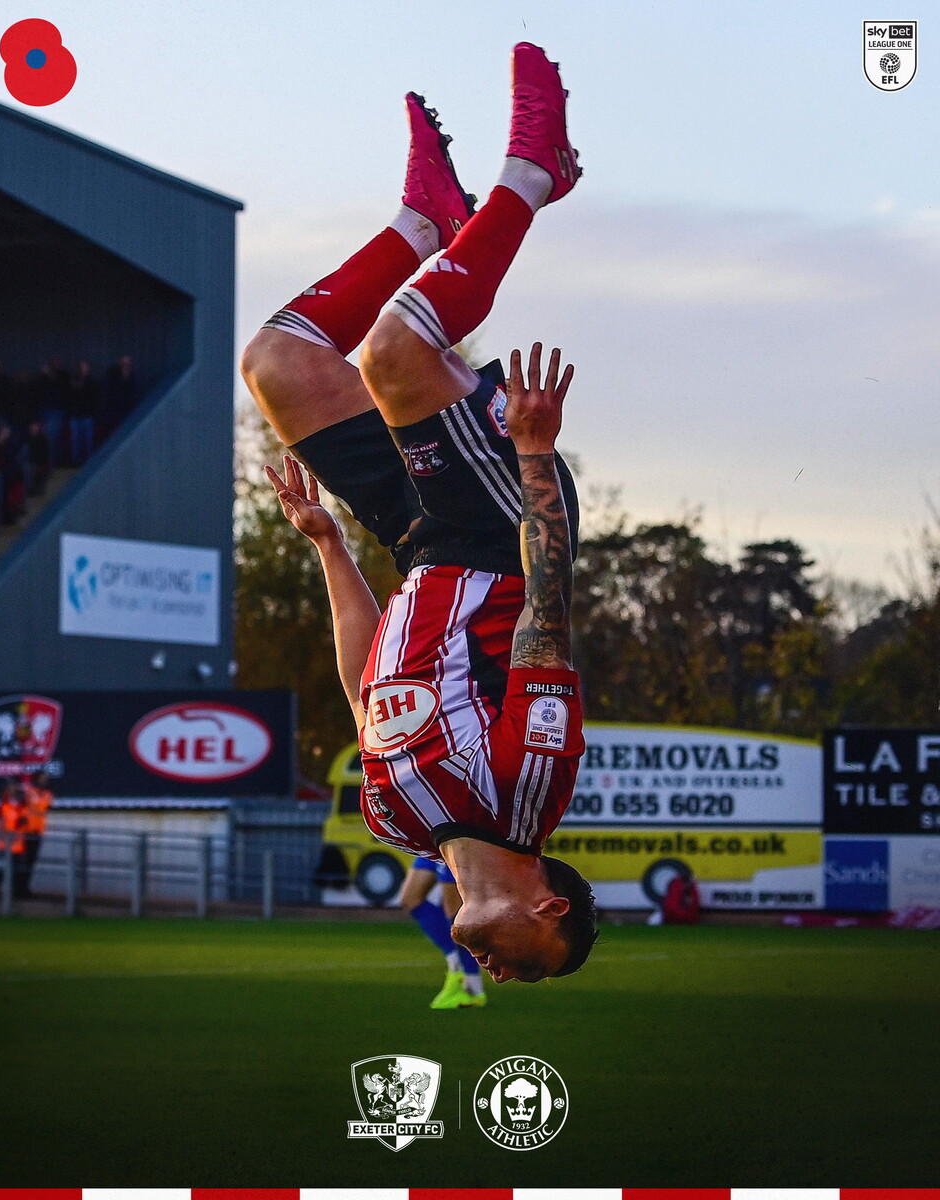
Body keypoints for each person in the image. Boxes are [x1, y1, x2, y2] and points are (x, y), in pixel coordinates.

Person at [244, 43, 598, 984]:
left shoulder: (395, 819)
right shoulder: (529, 792)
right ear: (550, 906)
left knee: (278, 365)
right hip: (497, 529)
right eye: (530, 966)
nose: (506, 976)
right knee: (395, 352)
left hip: (415, 545)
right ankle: (535, 173)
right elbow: (547, 612)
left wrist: (330, 547)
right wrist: (533, 453)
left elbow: (367, 688)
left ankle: (423, 221)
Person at [400, 857, 485, 1008]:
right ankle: (455, 961)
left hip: (451, 845)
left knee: (454, 913)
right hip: (431, 844)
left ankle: (473, 987)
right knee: (410, 898)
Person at [0, 780, 28, 899]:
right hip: (6, 843)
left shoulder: (19, 805)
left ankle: (11, 893)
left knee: (15, 869)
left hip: (18, 844)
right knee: (6, 869)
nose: (13, 791)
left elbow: (24, 821)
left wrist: (22, 822)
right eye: (10, 789)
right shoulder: (0, 807)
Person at [22, 771, 54, 895]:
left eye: (46, 778)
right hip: (26, 831)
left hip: (38, 832)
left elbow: (46, 808)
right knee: (22, 861)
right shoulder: (29, 792)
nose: (44, 780)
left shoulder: (48, 794)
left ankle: (24, 887)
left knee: (31, 861)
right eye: (42, 778)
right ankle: (18, 888)